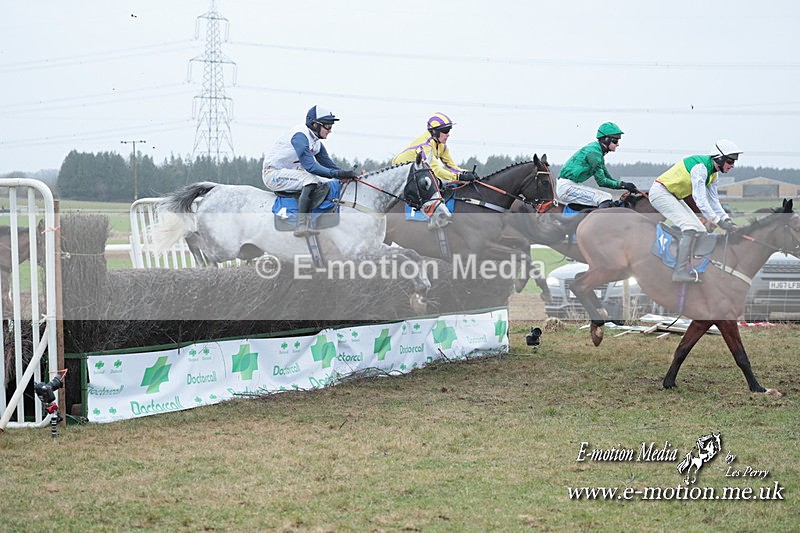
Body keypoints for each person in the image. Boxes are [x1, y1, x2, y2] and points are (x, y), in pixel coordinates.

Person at [649, 139, 742, 283]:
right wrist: (719, 222)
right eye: (730, 161)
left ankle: (681, 243)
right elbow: (700, 201)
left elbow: (714, 201)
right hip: (660, 192)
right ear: (720, 158)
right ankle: (679, 272)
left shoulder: (713, 174)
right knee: (690, 226)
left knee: (700, 229)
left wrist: (727, 219)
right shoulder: (701, 168)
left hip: (673, 195)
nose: (733, 165)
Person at [262, 105, 358, 237]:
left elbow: (329, 165)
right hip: (273, 174)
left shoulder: (316, 142)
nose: (330, 131)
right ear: (315, 124)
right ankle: (301, 225)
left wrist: (346, 174)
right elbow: (311, 167)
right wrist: (338, 174)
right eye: (327, 126)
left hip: (291, 174)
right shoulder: (300, 136)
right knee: (310, 179)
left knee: (326, 181)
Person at [556, 122, 638, 208]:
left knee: (606, 197)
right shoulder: (594, 154)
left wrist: (625, 185)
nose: (617, 144)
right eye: (615, 141)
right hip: (567, 188)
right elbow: (602, 181)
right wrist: (623, 184)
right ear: (606, 139)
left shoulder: (597, 151)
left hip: (571, 185)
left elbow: (608, 178)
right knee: (604, 198)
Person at [392, 112, 478, 182]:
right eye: (445, 131)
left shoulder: (442, 147)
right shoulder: (425, 146)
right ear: (434, 132)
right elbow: (435, 170)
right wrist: (459, 177)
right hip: (399, 172)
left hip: (416, 171)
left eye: (449, 130)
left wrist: (466, 173)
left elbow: (452, 168)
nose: (448, 134)